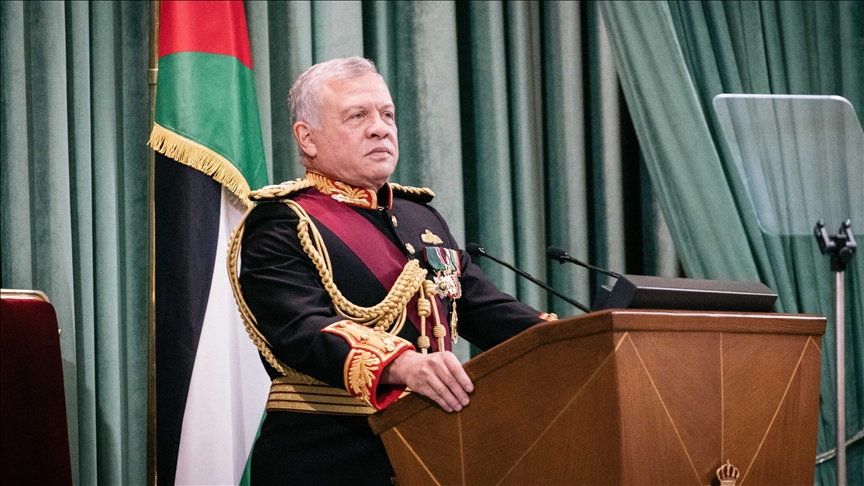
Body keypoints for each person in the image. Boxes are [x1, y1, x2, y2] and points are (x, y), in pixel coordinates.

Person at [232, 57, 555, 485]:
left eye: (387, 115)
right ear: (307, 138)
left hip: (431, 451)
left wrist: (576, 341)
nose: (380, 128)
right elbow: (301, 329)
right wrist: (402, 366)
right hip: (327, 457)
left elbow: (485, 308)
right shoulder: (282, 222)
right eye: (357, 116)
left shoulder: (421, 218)